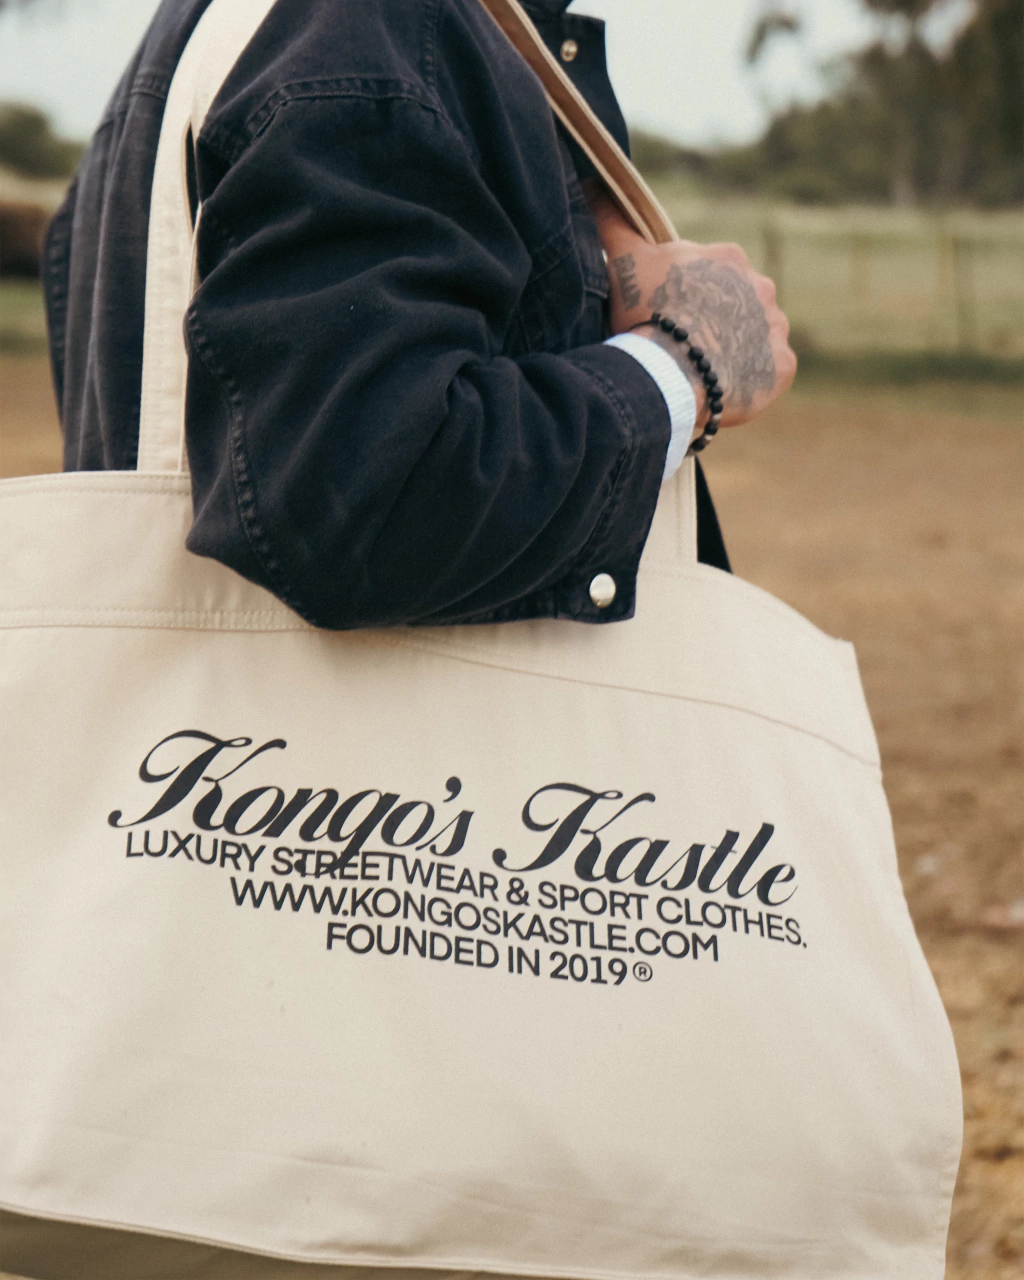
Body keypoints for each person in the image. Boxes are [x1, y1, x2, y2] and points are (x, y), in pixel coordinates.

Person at [45, 0, 795, 633]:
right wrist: (683, 365)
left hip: (197, 734)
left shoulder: (193, 43)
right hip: (388, 756)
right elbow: (366, 499)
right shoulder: (375, 29)